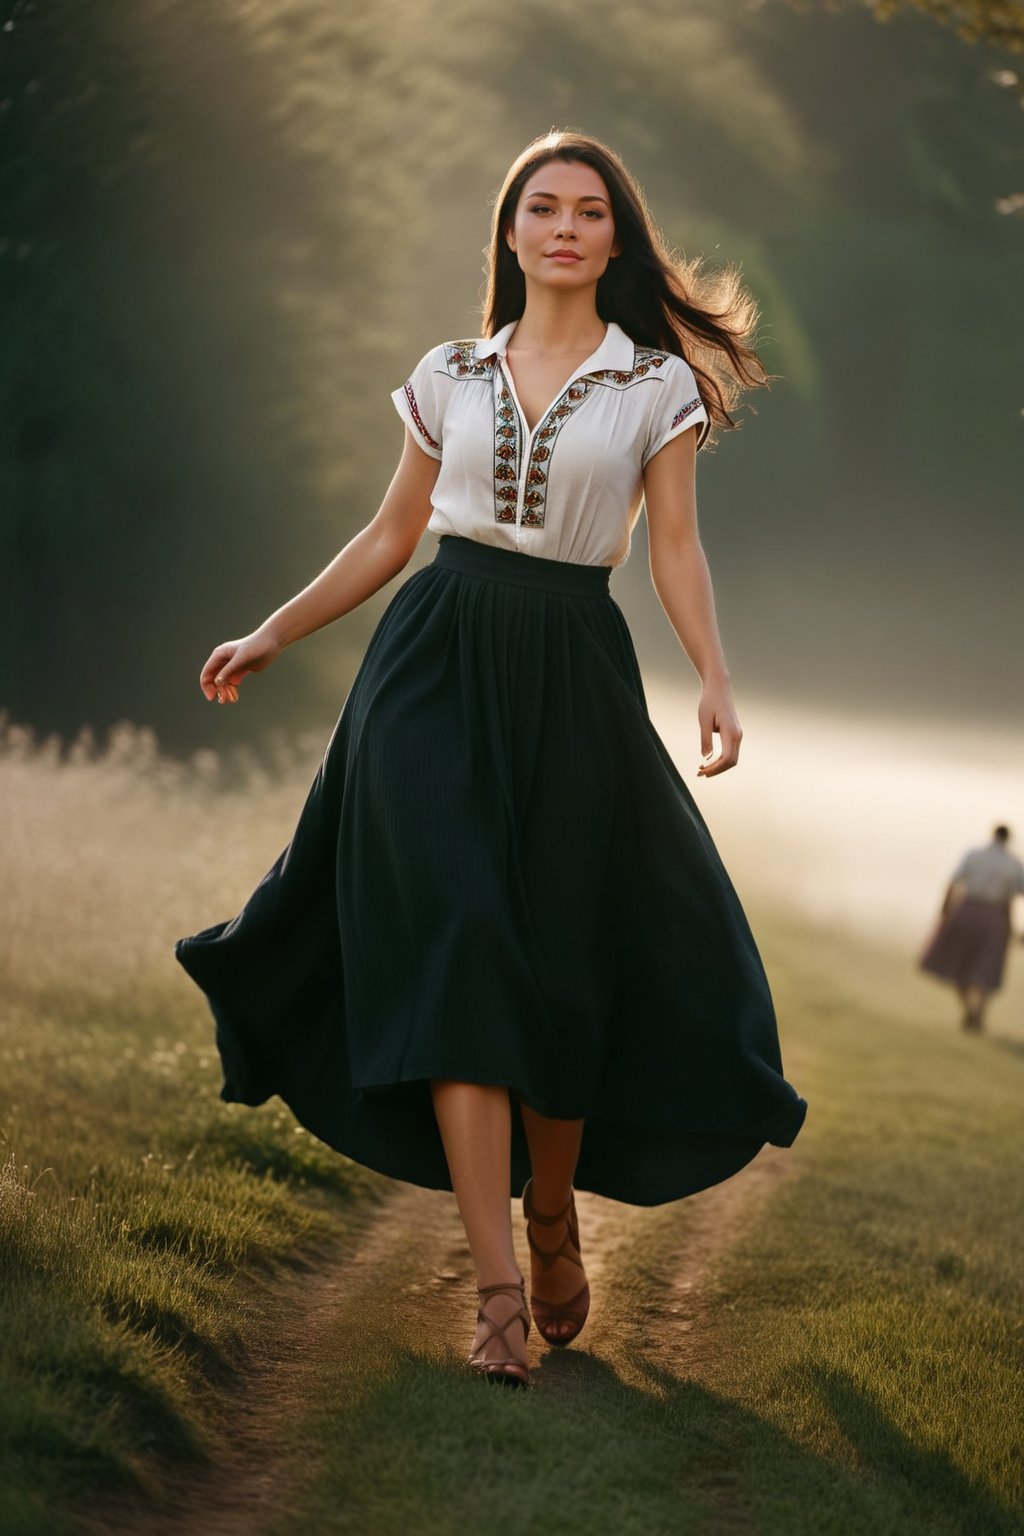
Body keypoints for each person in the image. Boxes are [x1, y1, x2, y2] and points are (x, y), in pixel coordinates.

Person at [174, 130, 807, 1390]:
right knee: (459, 945)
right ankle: (497, 1295)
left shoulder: (654, 386)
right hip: (431, 668)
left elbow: (672, 548)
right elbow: (392, 530)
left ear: (615, 239)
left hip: (572, 668)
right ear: (509, 234)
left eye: (587, 211)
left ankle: (554, 1212)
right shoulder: (447, 373)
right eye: (540, 208)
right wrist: (273, 629)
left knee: (559, 975)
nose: (564, 227)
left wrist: (717, 678)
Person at [919, 824, 1024, 1033]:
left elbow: (952, 883)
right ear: (1008, 839)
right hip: (996, 917)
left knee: (960, 963)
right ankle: (978, 1014)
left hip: (966, 910)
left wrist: (945, 912)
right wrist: (1014, 929)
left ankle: (969, 1009)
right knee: (987, 967)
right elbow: (1014, 897)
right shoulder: (1014, 864)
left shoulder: (974, 854)